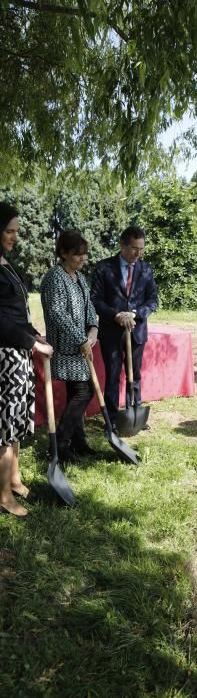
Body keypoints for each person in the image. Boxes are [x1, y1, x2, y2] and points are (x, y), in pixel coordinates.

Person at [0, 202, 54, 516]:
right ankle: (4, 496)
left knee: (18, 421)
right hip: (5, 356)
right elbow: (1, 322)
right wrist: (30, 344)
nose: (14, 237)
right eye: (9, 231)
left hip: (19, 351)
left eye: (16, 231)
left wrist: (36, 335)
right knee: (5, 427)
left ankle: (15, 480)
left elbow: (17, 314)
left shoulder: (6, 264)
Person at [90, 226, 157, 430]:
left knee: (134, 373)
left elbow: (152, 300)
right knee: (112, 375)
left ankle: (134, 410)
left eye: (141, 249)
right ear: (122, 245)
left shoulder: (146, 269)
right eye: (134, 248)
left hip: (136, 332)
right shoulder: (103, 268)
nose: (138, 253)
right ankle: (111, 418)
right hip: (111, 331)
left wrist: (135, 314)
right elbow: (95, 299)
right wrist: (116, 315)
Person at [40, 230, 98, 462]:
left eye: (84, 254)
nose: (83, 258)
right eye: (77, 254)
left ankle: (79, 442)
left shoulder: (80, 278)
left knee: (79, 391)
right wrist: (81, 339)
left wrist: (93, 329)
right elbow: (57, 314)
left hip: (81, 347)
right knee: (84, 391)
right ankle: (60, 445)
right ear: (63, 253)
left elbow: (89, 308)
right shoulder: (55, 277)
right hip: (66, 348)